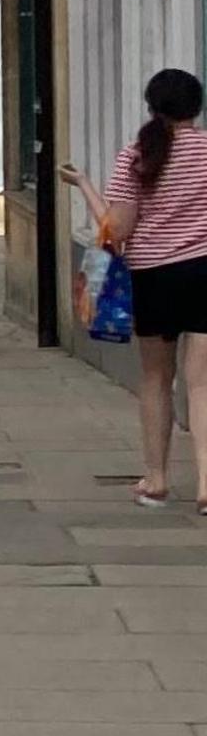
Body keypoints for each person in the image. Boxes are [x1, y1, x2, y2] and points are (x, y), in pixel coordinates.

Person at [77, 69, 207, 511]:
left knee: (156, 378)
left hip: (154, 274)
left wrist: (85, 188)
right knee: (203, 382)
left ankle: (156, 479)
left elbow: (117, 230)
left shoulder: (136, 155)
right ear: (197, 107)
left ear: (151, 107)